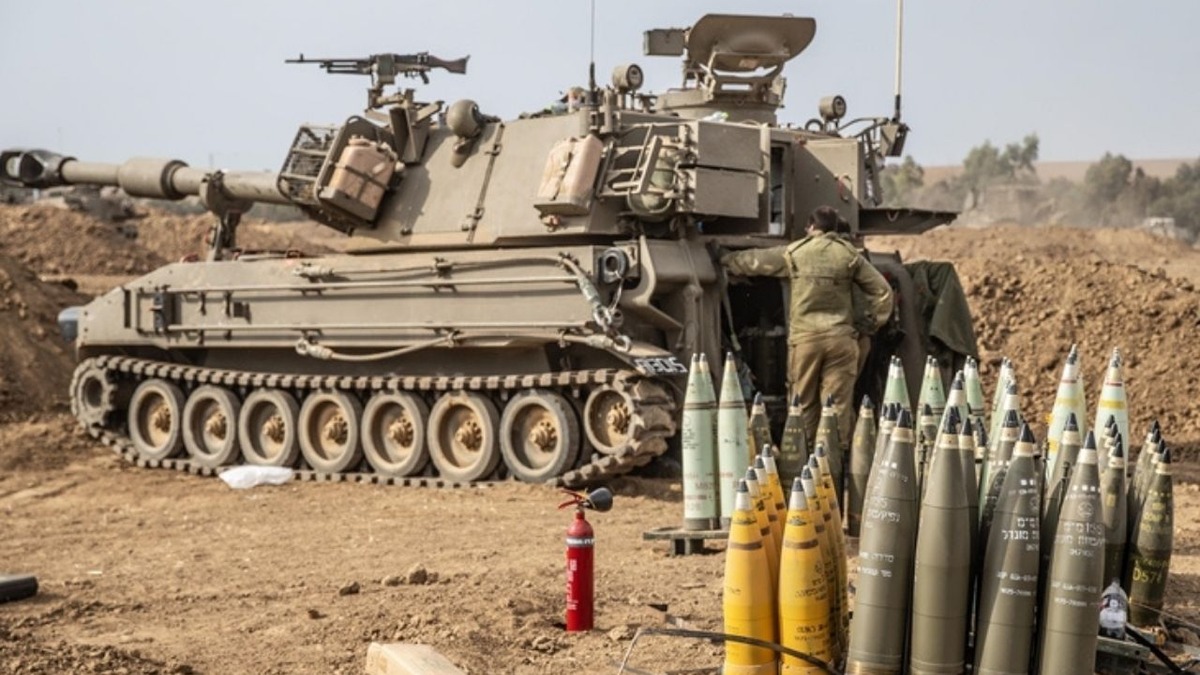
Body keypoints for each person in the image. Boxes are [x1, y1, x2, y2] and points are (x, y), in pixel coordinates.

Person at [721, 205, 894, 449]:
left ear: (811, 227)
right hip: (841, 339)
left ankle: (807, 456)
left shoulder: (796, 252)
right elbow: (883, 291)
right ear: (834, 229)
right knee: (837, 404)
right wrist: (869, 324)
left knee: (802, 403)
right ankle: (834, 460)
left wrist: (725, 259)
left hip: (805, 341)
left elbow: (757, 261)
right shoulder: (849, 255)